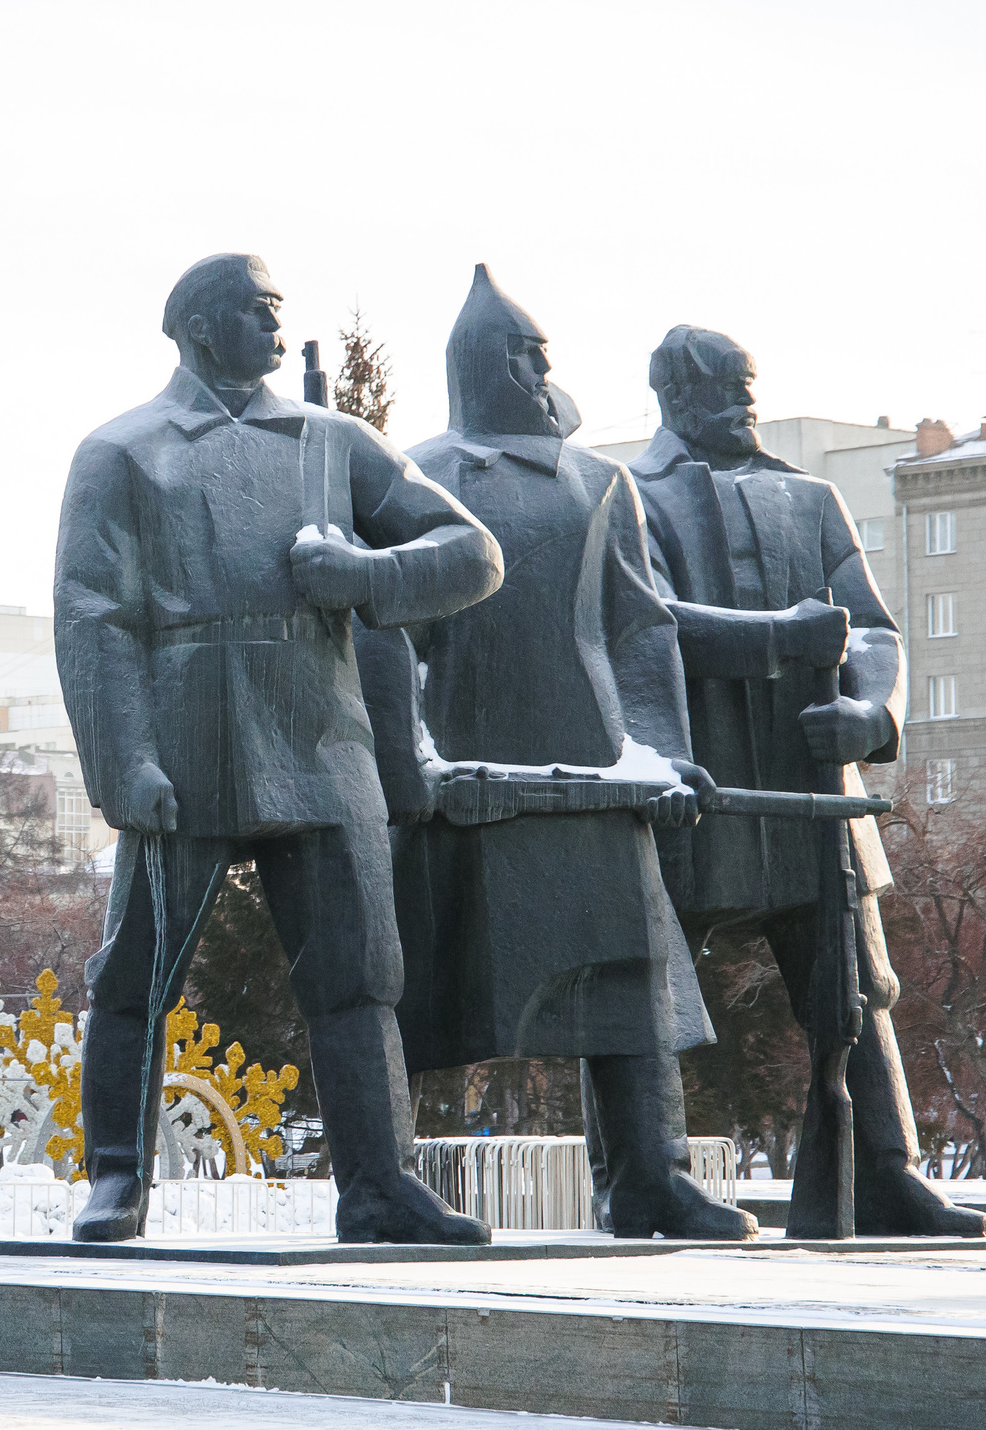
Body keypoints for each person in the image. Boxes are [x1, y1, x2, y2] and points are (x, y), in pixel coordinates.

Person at [55, 252, 506, 1245]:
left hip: (319, 733)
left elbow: (471, 553)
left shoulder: (332, 443)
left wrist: (364, 574)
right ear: (199, 325)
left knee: (358, 973)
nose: (271, 327)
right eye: (256, 311)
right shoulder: (124, 451)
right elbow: (93, 622)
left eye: (275, 312)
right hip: (185, 739)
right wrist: (122, 763)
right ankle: (118, 1178)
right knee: (137, 971)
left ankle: (379, 1184)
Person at [364, 266, 757, 1240]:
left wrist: (658, 753)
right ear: (488, 365)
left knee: (627, 980)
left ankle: (646, 1176)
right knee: (420, 981)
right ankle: (383, 1183)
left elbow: (639, 629)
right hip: (464, 783)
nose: (543, 369)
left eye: (543, 354)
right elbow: (379, 632)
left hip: (594, 770)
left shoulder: (599, 482)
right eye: (527, 354)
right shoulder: (416, 476)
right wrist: (406, 759)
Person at [627, 324, 986, 1237]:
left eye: (751, 383)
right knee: (648, 986)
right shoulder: (629, 497)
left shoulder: (811, 497)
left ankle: (886, 1173)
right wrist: (783, 636)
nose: (745, 400)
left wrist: (874, 715)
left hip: (815, 789)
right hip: (698, 788)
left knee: (861, 989)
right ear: (673, 396)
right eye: (724, 386)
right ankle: (645, 1176)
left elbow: (872, 627)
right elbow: (650, 623)